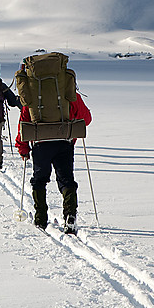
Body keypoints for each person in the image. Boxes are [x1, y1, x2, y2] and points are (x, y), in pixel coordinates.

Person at [15, 93, 92, 233]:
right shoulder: (69, 93)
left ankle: (40, 217)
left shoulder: (33, 92)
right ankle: (70, 215)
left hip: (41, 143)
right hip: (64, 142)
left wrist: (23, 147)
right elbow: (86, 119)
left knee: (39, 180)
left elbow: (24, 122)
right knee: (66, 180)